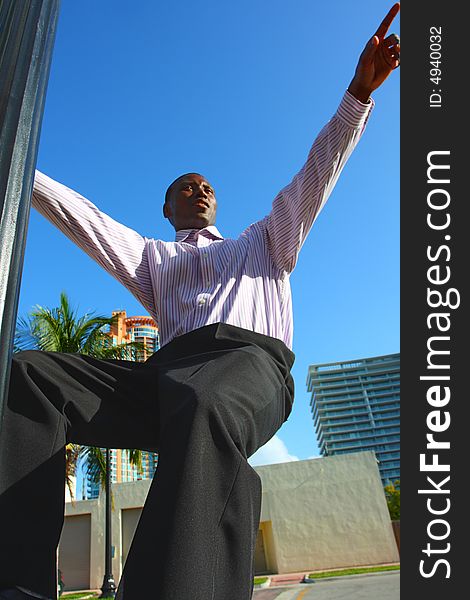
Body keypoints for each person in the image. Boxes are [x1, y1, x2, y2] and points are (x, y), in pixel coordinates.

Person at [0, 4, 400, 600]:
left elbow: (315, 176)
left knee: (206, 398)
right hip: (164, 378)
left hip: (249, 364)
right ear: (168, 209)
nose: (200, 190)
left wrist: (357, 96)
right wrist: (16, 159)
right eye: (186, 187)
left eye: (207, 185)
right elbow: (81, 216)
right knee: (30, 376)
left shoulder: (266, 241)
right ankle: (20, 585)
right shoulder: (152, 259)